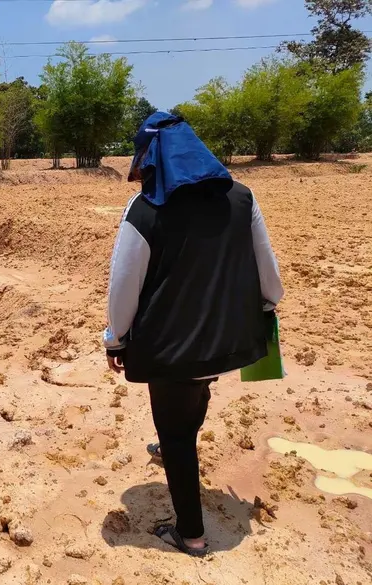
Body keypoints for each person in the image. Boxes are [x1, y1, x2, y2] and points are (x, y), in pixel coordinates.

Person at [103, 112, 284, 557]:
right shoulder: (243, 198)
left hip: (171, 348)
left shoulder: (145, 209)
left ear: (152, 158)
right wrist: (258, 313)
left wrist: (115, 338)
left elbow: (123, 286)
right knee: (194, 396)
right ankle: (176, 439)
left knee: (177, 434)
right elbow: (272, 283)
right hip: (229, 338)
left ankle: (192, 535)